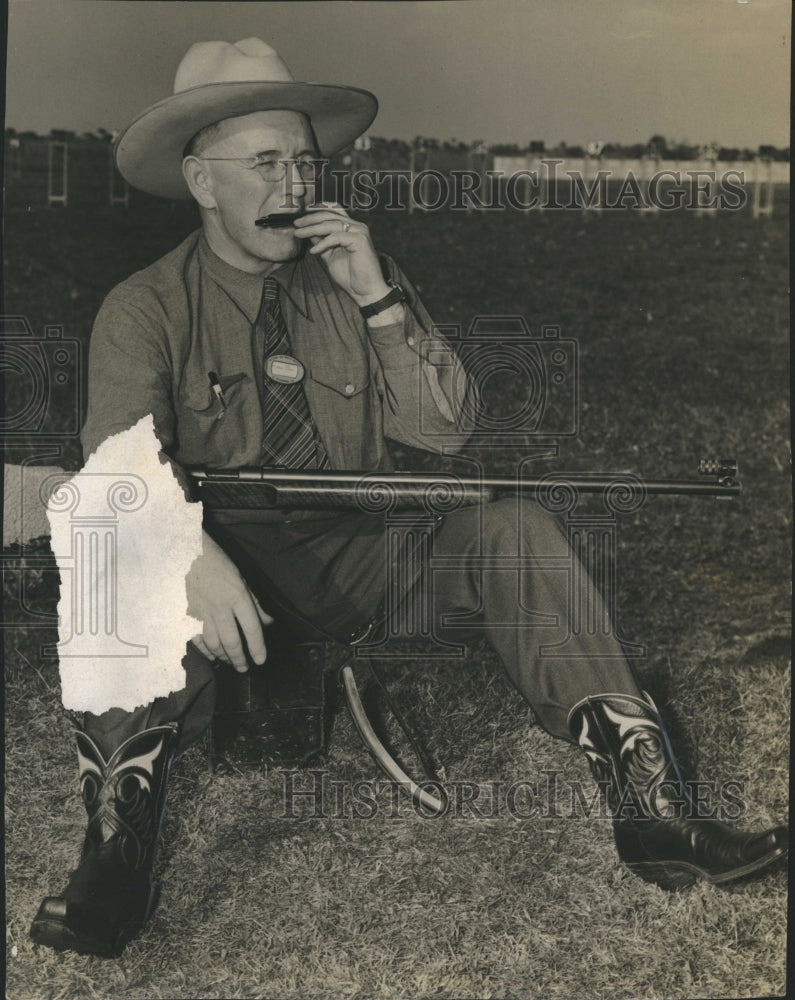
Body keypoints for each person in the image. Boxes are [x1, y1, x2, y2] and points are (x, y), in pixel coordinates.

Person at [30, 38, 787, 958]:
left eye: (306, 162)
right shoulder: (144, 307)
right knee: (114, 545)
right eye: (266, 163)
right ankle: (114, 854)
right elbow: (118, 464)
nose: (296, 185)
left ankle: (653, 811)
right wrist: (193, 557)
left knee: (514, 528)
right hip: (215, 582)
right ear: (200, 180)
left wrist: (378, 297)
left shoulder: (351, 281)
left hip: (358, 563)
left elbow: (446, 431)